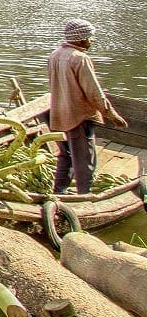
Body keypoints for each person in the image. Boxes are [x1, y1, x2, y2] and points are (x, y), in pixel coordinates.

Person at [47, 19, 128, 194]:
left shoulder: (55, 54)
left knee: (65, 156)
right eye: (89, 38)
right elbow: (94, 93)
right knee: (85, 160)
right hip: (78, 116)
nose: (91, 41)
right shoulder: (80, 58)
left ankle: (58, 192)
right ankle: (85, 195)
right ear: (81, 38)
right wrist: (112, 115)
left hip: (58, 114)